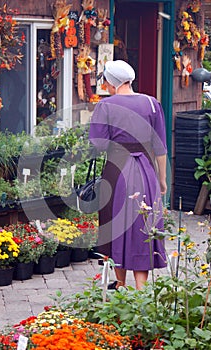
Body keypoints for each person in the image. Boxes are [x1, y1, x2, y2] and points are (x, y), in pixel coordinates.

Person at [89, 60, 167, 290]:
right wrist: (161, 180)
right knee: (142, 223)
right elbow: (160, 148)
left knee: (116, 224)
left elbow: (98, 145)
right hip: (145, 172)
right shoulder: (152, 104)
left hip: (116, 171)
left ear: (111, 82)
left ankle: (121, 284)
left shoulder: (105, 106)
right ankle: (141, 288)